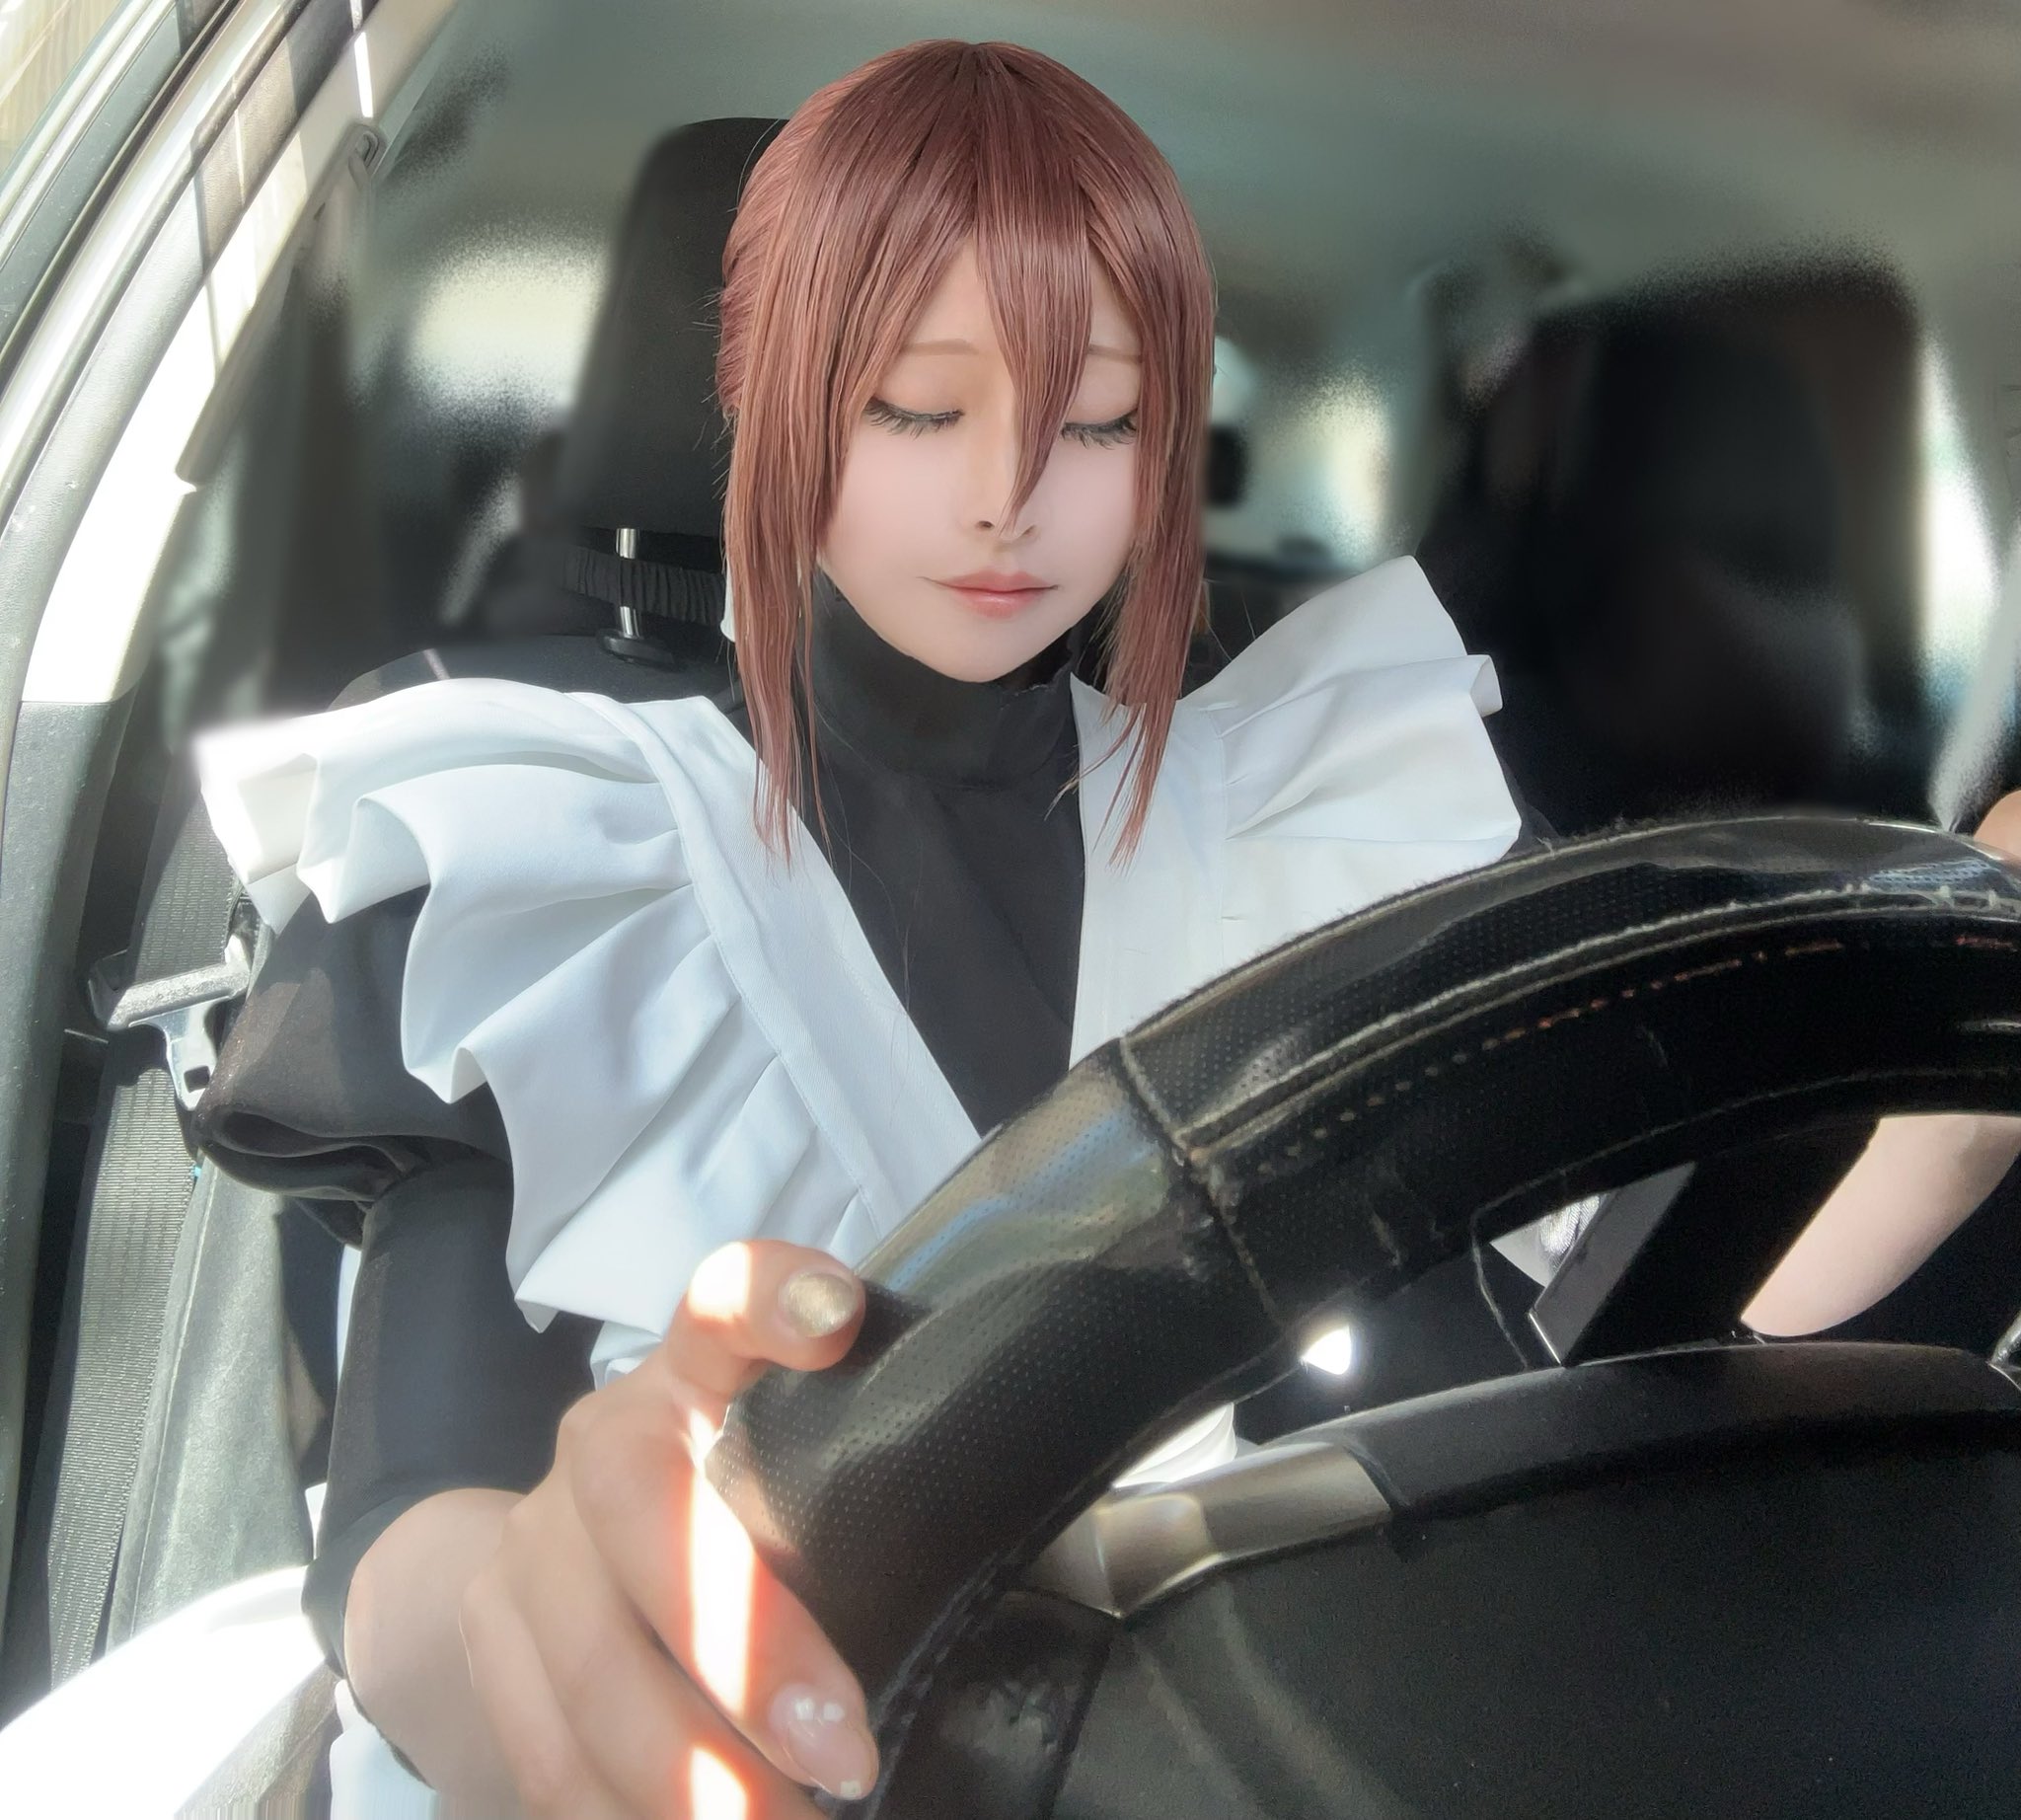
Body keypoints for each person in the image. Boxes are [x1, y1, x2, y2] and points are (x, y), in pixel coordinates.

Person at [189, 38, 2021, 1820]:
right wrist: (553, 1649)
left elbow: (1605, 1328)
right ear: (766, 393)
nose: (1009, 491)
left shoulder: (1325, 797)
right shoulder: (554, 847)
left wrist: (1957, 1098)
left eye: (1098, 422)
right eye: (918, 408)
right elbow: (418, 1536)